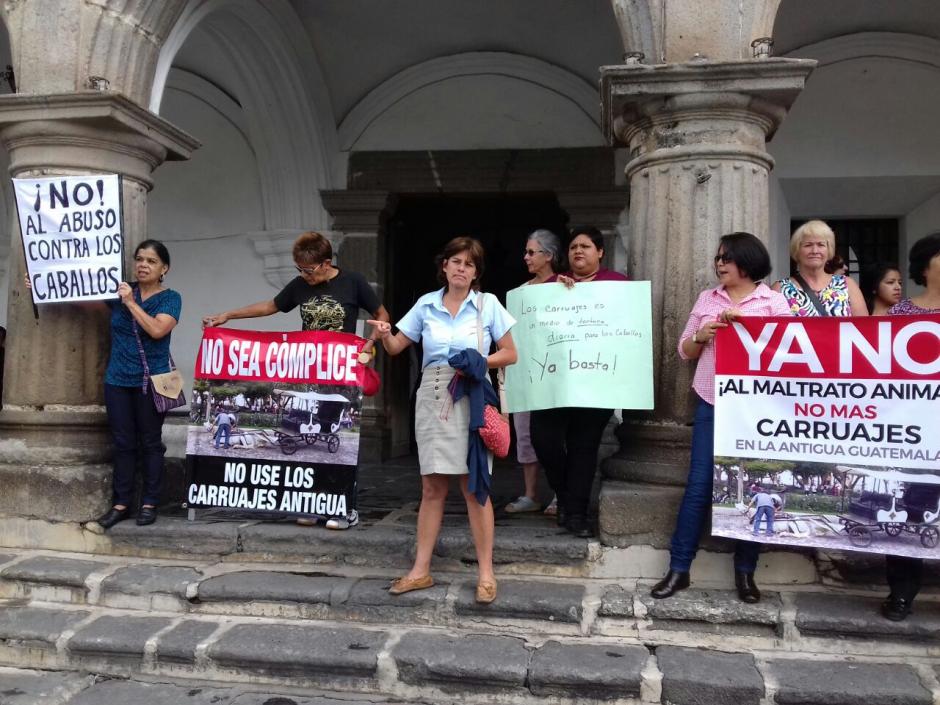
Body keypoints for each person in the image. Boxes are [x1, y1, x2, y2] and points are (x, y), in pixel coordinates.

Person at [202, 231, 388, 530]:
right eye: (299, 269)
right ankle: (311, 505)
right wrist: (228, 316)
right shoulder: (301, 284)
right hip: (307, 372)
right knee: (304, 444)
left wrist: (370, 343)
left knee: (341, 440)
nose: (304, 275)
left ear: (326, 263)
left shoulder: (353, 282)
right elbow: (270, 306)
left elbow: (381, 315)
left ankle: (344, 508)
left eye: (309, 270)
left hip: (339, 372)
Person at [368, 236, 517, 604]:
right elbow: (396, 347)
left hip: (471, 393)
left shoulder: (487, 304)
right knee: (432, 487)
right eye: (456, 262)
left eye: (469, 264)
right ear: (445, 266)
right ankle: (420, 570)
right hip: (433, 394)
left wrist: (478, 361)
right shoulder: (426, 304)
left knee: (474, 486)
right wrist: (383, 334)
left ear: (476, 272)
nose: (461, 268)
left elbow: (510, 353)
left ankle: (486, 573)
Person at [650, 232, 791, 603]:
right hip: (711, 401)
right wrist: (702, 334)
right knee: (698, 486)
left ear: (747, 261)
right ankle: (679, 568)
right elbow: (684, 350)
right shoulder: (707, 298)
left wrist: (746, 326)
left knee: (755, 486)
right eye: (718, 258)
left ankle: (745, 572)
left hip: (756, 409)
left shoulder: (773, 301)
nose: (719, 264)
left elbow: (790, 350)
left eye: (727, 258)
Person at [527, 226, 627, 538]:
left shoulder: (618, 285)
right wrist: (556, 295)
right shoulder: (552, 285)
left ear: (600, 252)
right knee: (543, 439)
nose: (578, 251)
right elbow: (533, 330)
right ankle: (567, 498)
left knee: (584, 448)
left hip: (596, 383)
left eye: (585, 246)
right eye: (573, 247)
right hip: (554, 383)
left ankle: (577, 515)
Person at [97, 240, 182, 529]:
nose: (143, 265)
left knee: (150, 442)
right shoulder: (121, 291)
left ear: (164, 268)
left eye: (151, 261)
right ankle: (121, 503)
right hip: (117, 379)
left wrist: (131, 303)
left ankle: (149, 502)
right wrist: (43, 287)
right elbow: (82, 298)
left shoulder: (171, 298)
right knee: (122, 442)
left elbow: (158, 330)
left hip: (154, 380)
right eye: (140, 259)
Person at [881, 232, 940, 621]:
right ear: (925, 266)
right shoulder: (901, 314)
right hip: (914, 434)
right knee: (912, 507)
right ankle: (902, 592)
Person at [504, 229, 561, 516]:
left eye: (531, 252)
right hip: (526, 372)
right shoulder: (521, 293)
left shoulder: (564, 287)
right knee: (525, 433)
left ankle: (559, 494)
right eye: (525, 252)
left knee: (556, 436)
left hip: (556, 374)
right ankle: (530, 494)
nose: (525, 257)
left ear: (548, 256)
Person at [773, 220, 867, 317]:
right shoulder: (780, 288)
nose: (815, 251)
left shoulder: (847, 285)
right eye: (808, 245)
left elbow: (863, 325)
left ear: (829, 250)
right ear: (797, 250)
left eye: (821, 245)